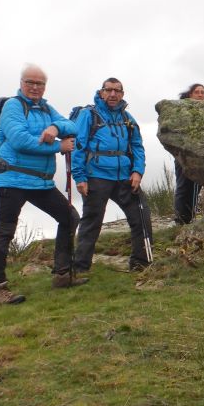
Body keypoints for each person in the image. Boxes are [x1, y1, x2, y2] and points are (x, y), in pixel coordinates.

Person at [0, 64, 80, 304]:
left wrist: (55, 127)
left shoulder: (46, 108)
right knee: (5, 231)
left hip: (40, 181)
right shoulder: (13, 106)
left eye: (40, 83)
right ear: (21, 83)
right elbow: (20, 140)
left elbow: (72, 126)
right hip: (13, 178)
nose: (35, 87)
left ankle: (62, 274)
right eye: (30, 82)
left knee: (69, 217)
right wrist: (59, 146)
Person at [71, 78, 152, 274]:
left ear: (122, 94)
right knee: (92, 222)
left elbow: (137, 146)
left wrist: (137, 171)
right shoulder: (88, 115)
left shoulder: (127, 118)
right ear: (101, 93)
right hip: (96, 176)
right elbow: (78, 146)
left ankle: (140, 264)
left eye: (117, 91)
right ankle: (80, 268)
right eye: (108, 90)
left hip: (125, 177)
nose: (113, 94)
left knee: (141, 217)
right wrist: (80, 177)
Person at [173, 83, 204, 224]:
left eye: (202, 92)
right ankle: (180, 219)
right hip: (183, 155)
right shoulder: (182, 110)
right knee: (183, 186)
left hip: (200, 156)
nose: (200, 95)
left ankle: (189, 217)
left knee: (196, 188)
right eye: (197, 92)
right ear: (190, 95)